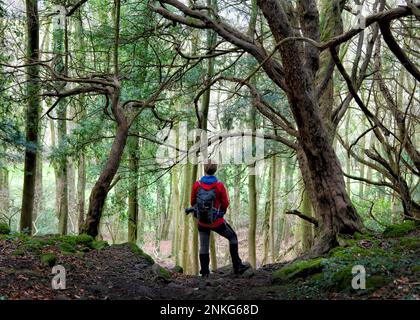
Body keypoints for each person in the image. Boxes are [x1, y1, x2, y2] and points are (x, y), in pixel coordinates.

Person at [190, 160, 250, 277]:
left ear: (204, 169)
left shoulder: (197, 185)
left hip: (202, 221)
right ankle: (237, 266)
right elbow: (225, 203)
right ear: (215, 169)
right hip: (217, 222)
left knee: (203, 246)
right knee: (232, 237)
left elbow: (192, 202)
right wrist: (220, 213)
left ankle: (205, 273)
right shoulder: (219, 185)